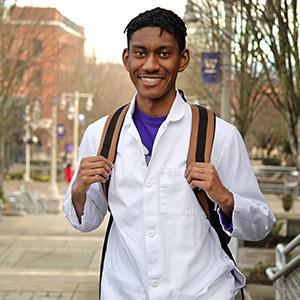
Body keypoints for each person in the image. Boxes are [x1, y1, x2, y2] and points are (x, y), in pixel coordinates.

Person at [64, 7, 275, 300]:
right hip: (125, 292)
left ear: (183, 60)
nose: (150, 64)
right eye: (140, 53)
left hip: (204, 293)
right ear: (127, 59)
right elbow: (86, 221)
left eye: (163, 53)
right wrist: (78, 189)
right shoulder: (100, 135)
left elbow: (262, 225)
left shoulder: (219, 135)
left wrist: (224, 197)